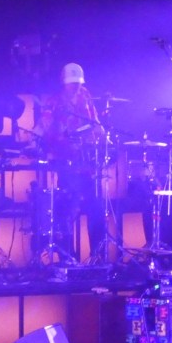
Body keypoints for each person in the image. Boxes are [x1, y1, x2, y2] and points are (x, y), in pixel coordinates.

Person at [38, 62, 107, 261]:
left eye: (78, 83)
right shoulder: (53, 102)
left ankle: (97, 256)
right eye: (72, 83)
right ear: (64, 83)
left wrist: (101, 133)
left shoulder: (85, 95)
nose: (75, 87)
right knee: (68, 209)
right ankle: (68, 258)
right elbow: (46, 129)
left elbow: (94, 121)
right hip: (65, 162)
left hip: (87, 164)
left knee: (96, 208)